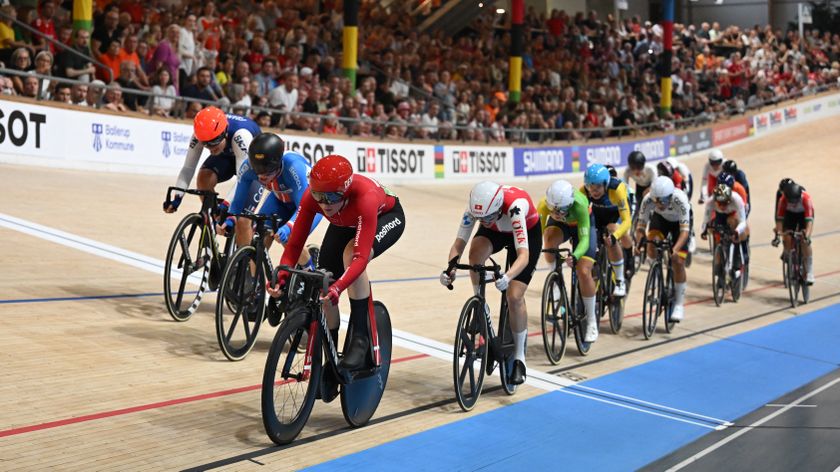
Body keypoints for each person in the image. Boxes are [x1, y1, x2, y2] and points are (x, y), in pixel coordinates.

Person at [268, 155, 405, 400]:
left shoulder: (364, 196)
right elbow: (295, 244)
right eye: (319, 196)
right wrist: (283, 275)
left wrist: (340, 287)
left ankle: (360, 338)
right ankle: (330, 354)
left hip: (385, 216)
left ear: (345, 190)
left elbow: (360, 258)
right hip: (345, 221)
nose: (324, 203)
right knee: (324, 278)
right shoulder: (315, 197)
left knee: (351, 255)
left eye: (331, 197)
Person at [441, 181, 542, 384]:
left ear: (498, 207)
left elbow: (523, 256)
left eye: (487, 217)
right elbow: (458, 245)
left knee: (514, 296)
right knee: (475, 254)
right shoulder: (476, 210)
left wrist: (508, 277)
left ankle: (519, 358)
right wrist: (450, 268)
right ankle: (480, 304)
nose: (483, 222)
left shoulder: (515, 208)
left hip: (526, 233)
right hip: (496, 231)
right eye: (480, 219)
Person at [218, 132, 321, 270]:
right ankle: (254, 281)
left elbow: (305, 208)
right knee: (259, 237)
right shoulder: (248, 166)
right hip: (279, 199)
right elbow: (238, 201)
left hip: (310, 206)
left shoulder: (294, 167)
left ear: (278, 163)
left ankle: (309, 270)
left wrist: (288, 227)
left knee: (291, 240)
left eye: (267, 171)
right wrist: (231, 218)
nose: (261, 176)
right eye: (258, 171)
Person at [163, 106, 262, 227]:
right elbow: (188, 168)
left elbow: (243, 179)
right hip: (226, 155)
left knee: (243, 222)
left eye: (214, 143)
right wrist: (178, 197)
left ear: (225, 133)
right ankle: (211, 221)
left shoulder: (241, 135)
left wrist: (226, 205)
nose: (210, 149)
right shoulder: (200, 135)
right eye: (205, 145)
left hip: (253, 164)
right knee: (204, 178)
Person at [537, 180, 599, 342]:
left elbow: (584, 240)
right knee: (549, 240)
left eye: (561, 210)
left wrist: (576, 256)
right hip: (561, 226)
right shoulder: (544, 205)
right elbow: (535, 234)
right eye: (553, 209)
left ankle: (592, 320)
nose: (556, 213)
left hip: (581, 227)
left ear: (569, 204)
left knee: (583, 271)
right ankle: (555, 280)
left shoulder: (579, 205)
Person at [635, 177, 691, 321]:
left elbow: (684, 232)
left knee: (678, 261)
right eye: (656, 200)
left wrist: (675, 249)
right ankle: (655, 272)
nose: (659, 204)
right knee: (651, 243)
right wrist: (639, 244)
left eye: (664, 201)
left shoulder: (680, 200)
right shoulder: (648, 200)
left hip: (679, 225)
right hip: (660, 220)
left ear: (670, 196)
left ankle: (679, 304)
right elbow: (640, 227)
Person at [583, 163, 633, 296]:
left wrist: (615, 236)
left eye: (598, 187)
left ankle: (620, 281)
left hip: (616, 214)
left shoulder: (617, 189)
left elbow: (627, 221)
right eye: (591, 187)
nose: (594, 191)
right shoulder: (584, 191)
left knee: (611, 232)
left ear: (606, 184)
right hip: (598, 213)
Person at [701, 184, 748, 277]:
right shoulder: (710, 202)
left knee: (735, 225)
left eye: (725, 203)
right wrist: (704, 231)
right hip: (720, 215)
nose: (723, 206)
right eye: (720, 203)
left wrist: (737, 231)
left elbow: (743, 222)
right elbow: (706, 220)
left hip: (733, 214)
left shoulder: (737, 199)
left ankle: (740, 254)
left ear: (730, 200)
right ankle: (719, 258)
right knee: (715, 229)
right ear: (715, 201)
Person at [773, 182, 815, 284]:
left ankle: (809, 271)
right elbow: (779, 221)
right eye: (791, 201)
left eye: (795, 201)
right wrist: (778, 235)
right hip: (790, 214)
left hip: (803, 215)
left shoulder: (806, 199)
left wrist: (807, 236)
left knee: (804, 239)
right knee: (787, 234)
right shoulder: (783, 200)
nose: (794, 204)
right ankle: (788, 255)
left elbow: (809, 222)